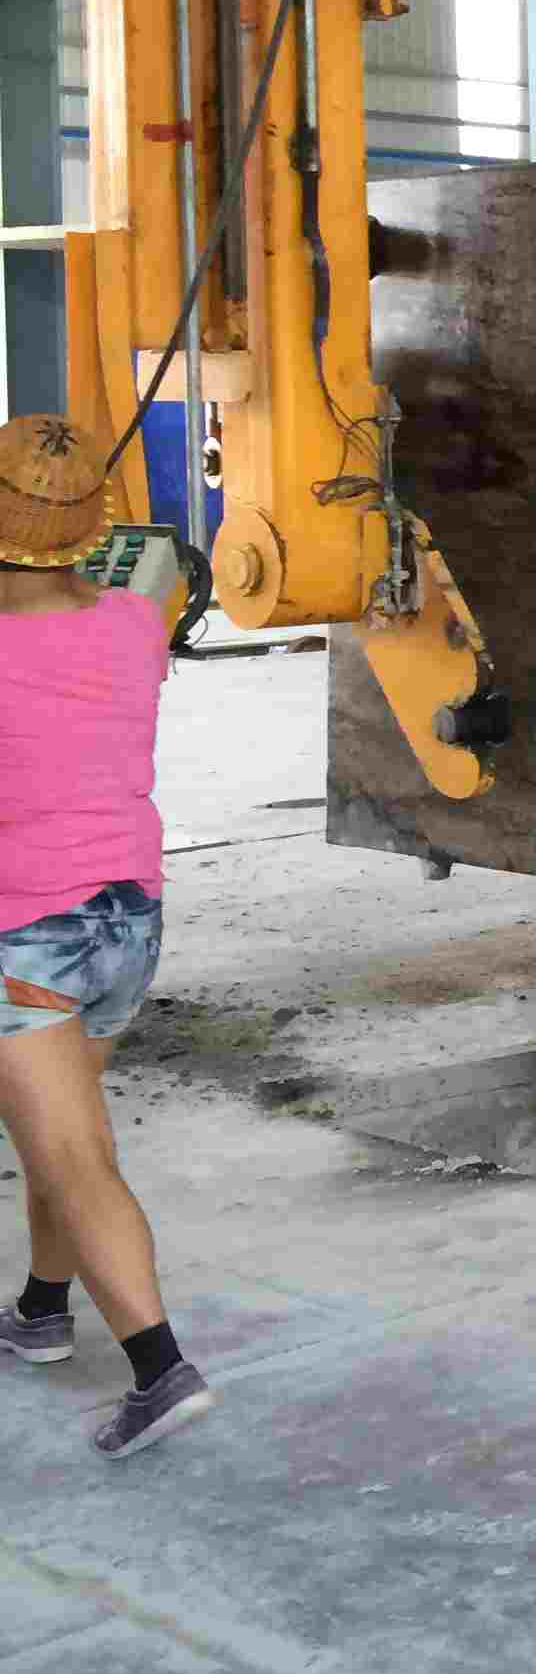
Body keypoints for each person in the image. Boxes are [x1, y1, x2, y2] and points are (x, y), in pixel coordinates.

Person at [0, 415, 210, 1457]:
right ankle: (42, 1309)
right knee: (61, 1130)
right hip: (128, 920)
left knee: (76, 1155)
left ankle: (159, 1371)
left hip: (29, 933)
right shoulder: (134, 622)